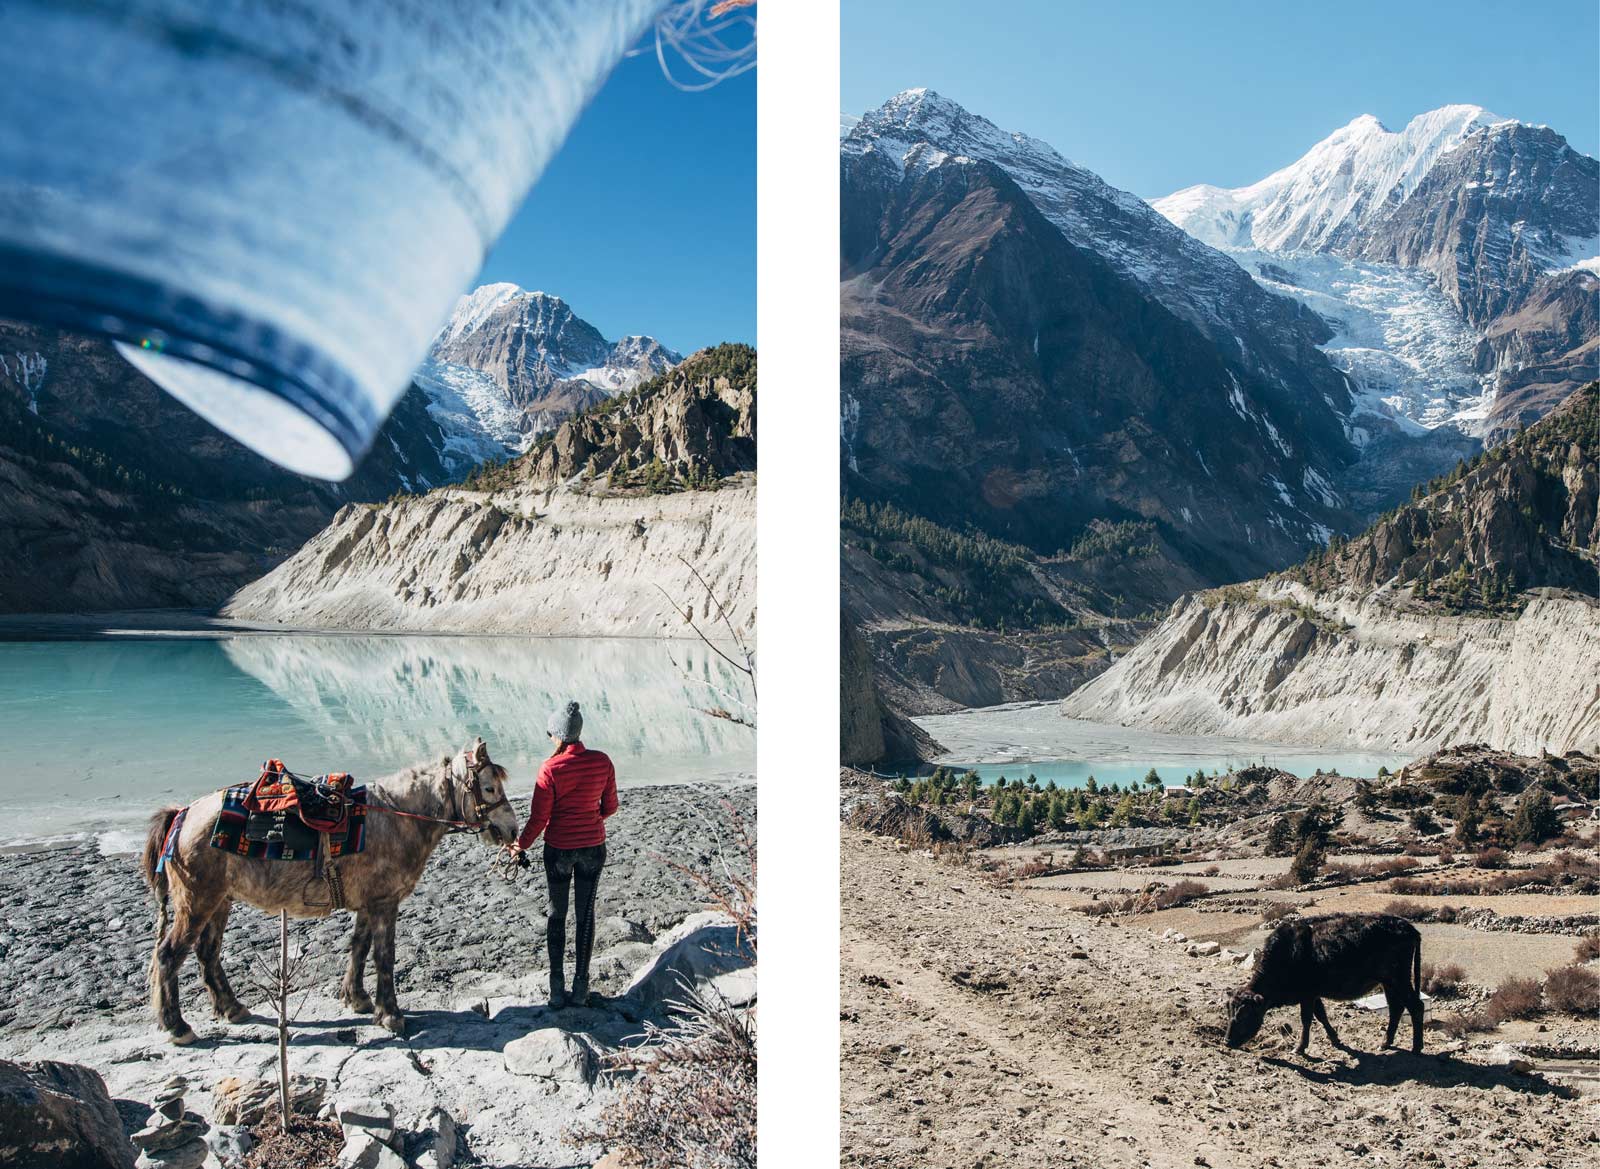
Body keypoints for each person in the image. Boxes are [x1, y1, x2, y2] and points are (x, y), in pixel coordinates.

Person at [506, 701, 618, 1008]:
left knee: (557, 914)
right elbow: (610, 808)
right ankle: (580, 989)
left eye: (551, 734)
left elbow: (539, 820)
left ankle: (556, 990)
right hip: (593, 849)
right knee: (586, 915)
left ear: (558, 735)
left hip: (558, 852)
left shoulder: (550, 769)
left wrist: (520, 846)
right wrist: (588, 820)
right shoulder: (602, 761)